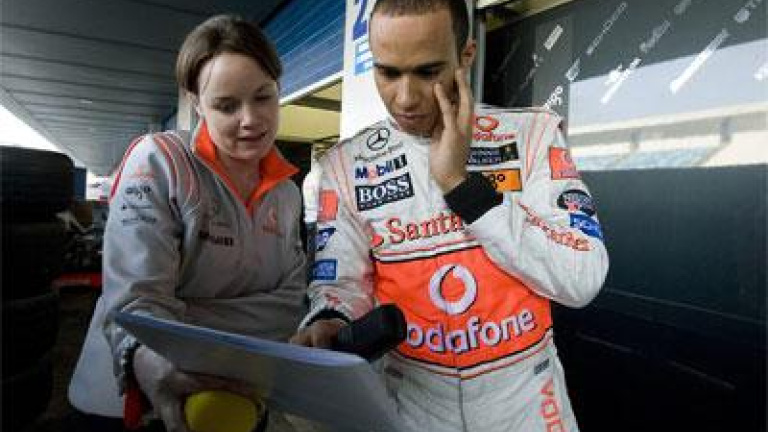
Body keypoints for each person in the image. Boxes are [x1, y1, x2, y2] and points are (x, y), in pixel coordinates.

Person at [290, 0, 609, 431]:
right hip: (410, 409)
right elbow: (340, 285)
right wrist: (329, 320)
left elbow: (581, 276)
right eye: (388, 73)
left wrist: (464, 188)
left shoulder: (532, 135)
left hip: (531, 410)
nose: (405, 98)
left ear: (466, 55)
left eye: (427, 72)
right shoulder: (345, 165)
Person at [68, 15, 306, 432]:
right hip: (135, 404)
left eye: (263, 97)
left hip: (238, 396)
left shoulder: (287, 193)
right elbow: (137, 305)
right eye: (227, 106)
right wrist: (150, 347)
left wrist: (187, 318)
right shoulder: (160, 161)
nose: (251, 119)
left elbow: (289, 303)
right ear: (197, 103)